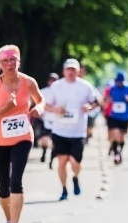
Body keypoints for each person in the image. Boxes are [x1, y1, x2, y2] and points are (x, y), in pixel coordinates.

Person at [0, 45, 44, 223]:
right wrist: (6, 109)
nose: (9, 64)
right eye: (5, 61)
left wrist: (39, 108)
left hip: (22, 136)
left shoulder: (28, 82)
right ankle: (8, 221)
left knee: (16, 181)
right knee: (3, 186)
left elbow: (40, 100)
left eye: (13, 60)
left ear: (18, 62)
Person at [43, 58, 102, 201]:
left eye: (73, 70)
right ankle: (64, 189)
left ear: (78, 71)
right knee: (62, 162)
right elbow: (45, 105)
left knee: (75, 162)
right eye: (68, 69)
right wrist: (55, 109)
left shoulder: (85, 86)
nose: (70, 72)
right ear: (63, 71)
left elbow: (96, 102)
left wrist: (89, 107)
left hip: (78, 131)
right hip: (60, 131)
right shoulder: (56, 86)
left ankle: (75, 177)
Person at [105, 72, 128, 165]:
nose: (119, 83)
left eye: (121, 81)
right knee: (115, 135)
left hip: (124, 117)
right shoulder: (112, 89)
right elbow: (107, 99)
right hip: (114, 115)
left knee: (121, 137)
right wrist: (108, 101)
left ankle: (119, 152)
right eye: (118, 81)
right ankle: (116, 153)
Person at [38, 73, 59, 168]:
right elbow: (38, 102)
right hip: (45, 118)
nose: (52, 82)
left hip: (58, 120)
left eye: (54, 80)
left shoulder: (61, 91)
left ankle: (51, 159)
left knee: (55, 142)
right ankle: (44, 151)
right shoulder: (43, 91)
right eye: (51, 80)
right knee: (45, 139)